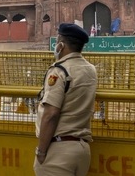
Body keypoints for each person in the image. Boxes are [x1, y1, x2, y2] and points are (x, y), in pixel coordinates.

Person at [34, 23, 98, 176]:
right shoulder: (90, 70)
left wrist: (41, 151)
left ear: (61, 45)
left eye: (57, 42)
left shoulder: (59, 70)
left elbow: (51, 114)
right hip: (82, 150)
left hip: (58, 150)